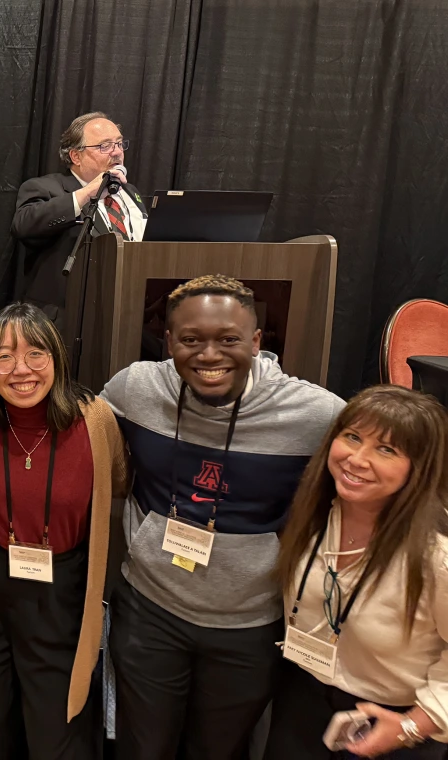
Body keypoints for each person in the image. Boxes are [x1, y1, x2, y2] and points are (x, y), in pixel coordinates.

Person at [100, 274, 345, 760]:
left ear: (256, 341)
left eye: (228, 339)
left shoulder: (315, 415)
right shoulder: (136, 388)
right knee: (141, 748)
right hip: (151, 613)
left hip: (250, 626)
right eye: (191, 340)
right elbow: (78, 425)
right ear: (169, 343)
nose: (209, 355)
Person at [0, 302, 128, 760]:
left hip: (61, 593)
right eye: (3, 357)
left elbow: (121, 482)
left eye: (35, 354)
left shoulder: (96, 420)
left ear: (57, 358)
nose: (21, 369)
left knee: (55, 731)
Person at [266, 385, 448, 759]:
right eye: (352, 437)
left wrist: (414, 725)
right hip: (302, 698)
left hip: (392, 723)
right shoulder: (315, 511)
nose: (356, 459)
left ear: (420, 467)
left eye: (386, 449)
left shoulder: (437, 553)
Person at [11, 111, 148, 330]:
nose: (117, 153)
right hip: (67, 321)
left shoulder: (131, 193)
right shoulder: (46, 188)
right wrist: (87, 193)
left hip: (126, 315)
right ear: (76, 156)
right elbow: (24, 225)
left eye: (120, 144)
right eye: (105, 146)